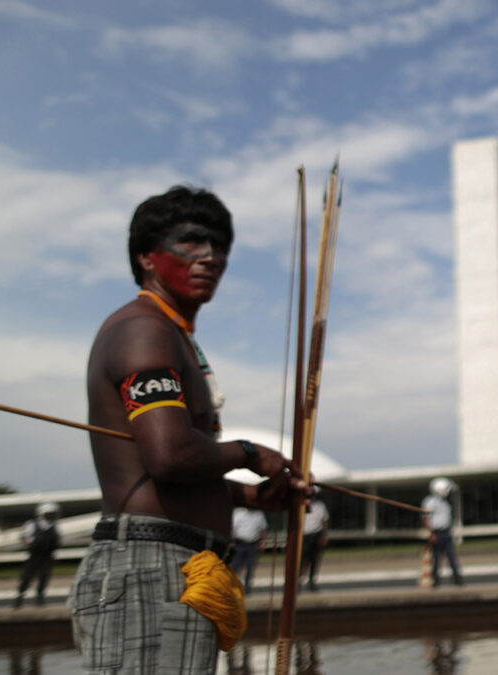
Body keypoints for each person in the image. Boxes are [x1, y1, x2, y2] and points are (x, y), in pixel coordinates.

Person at [70, 185, 310, 672]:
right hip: (148, 568)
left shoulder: (170, 333)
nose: (211, 257)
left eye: (220, 247)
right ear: (147, 256)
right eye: (192, 242)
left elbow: (167, 472)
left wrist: (248, 498)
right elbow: (170, 455)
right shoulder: (145, 329)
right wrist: (247, 453)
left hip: (174, 566)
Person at [14, 502, 61, 608]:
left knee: (44, 576)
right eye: (49, 513)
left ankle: (40, 597)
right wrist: (30, 544)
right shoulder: (32, 524)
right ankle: (20, 597)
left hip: (47, 555)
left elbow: (57, 538)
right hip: (35, 555)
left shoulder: (54, 525)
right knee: (27, 576)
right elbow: (24, 536)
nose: (51, 516)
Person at [423, 477, 464, 586]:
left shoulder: (445, 503)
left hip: (446, 532)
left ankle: (457, 579)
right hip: (436, 533)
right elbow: (425, 519)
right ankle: (435, 581)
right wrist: (431, 534)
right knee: (436, 558)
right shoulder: (430, 502)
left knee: (451, 557)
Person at [228, 506, 268, 592]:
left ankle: (247, 587)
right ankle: (232, 585)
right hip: (240, 543)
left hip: (253, 544)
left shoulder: (259, 514)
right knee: (235, 565)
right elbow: (232, 529)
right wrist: (231, 542)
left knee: (250, 566)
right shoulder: (238, 513)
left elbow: (263, 529)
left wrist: (262, 542)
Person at [299, 490, 329, 591]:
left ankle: (312, 582)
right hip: (303, 535)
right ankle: (298, 581)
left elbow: (324, 521)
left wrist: (324, 536)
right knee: (302, 560)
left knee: (314, 560)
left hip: (315, 534)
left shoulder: (320, 506)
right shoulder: (301, 504)